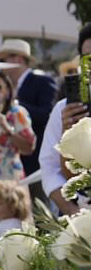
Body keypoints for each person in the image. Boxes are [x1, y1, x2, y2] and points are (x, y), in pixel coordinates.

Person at [40, 24, 91, 216]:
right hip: (79, 216)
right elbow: (49, 167)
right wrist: (71, 211)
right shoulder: (64, 109)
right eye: (87, 58)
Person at [0, 37, 57, 187]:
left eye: (3, 60)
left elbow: (47, 115)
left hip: (35, 160)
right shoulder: (7, 87)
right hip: (10, 164)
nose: (0, 65)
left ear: (19, 59)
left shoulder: (42, 81)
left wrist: (17, 105)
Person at [0, 71, 35, 184]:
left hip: (10, 174)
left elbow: (29, 148)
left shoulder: (17, 113)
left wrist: (7, 129)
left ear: (8, 90)